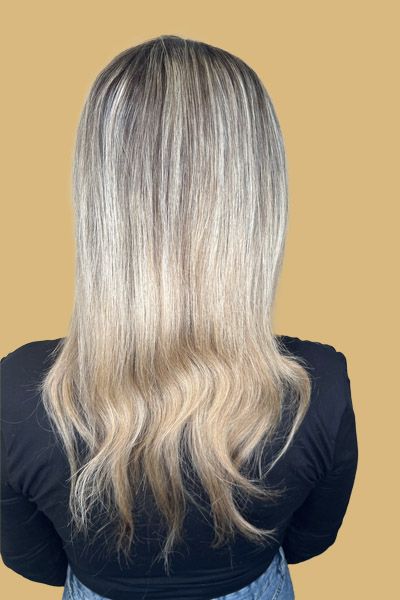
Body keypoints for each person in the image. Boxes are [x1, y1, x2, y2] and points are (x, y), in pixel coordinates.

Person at [0, 35, 358, 600]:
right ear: (257, 197)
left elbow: (30, 559)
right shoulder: (320, 385)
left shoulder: (19, 390)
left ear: (99, 194)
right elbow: (310, 540)